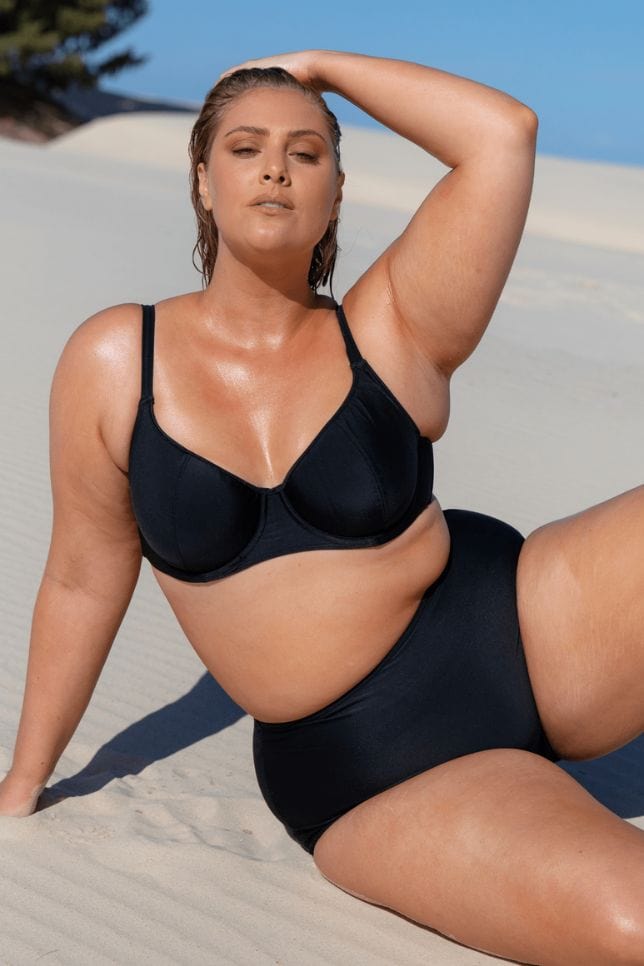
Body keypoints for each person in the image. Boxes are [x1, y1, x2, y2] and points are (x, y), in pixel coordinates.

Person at [1, 49, 643, 964]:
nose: (274, 167)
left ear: (337, 192)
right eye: (246, 146)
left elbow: (503, 136)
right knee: (630, 921)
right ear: (202, 179)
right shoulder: (116, 362)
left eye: (306, 153)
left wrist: (319, 69)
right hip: (375, 769)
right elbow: (79, 576)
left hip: (531, 630)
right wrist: (25, 779)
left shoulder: (389, 328)